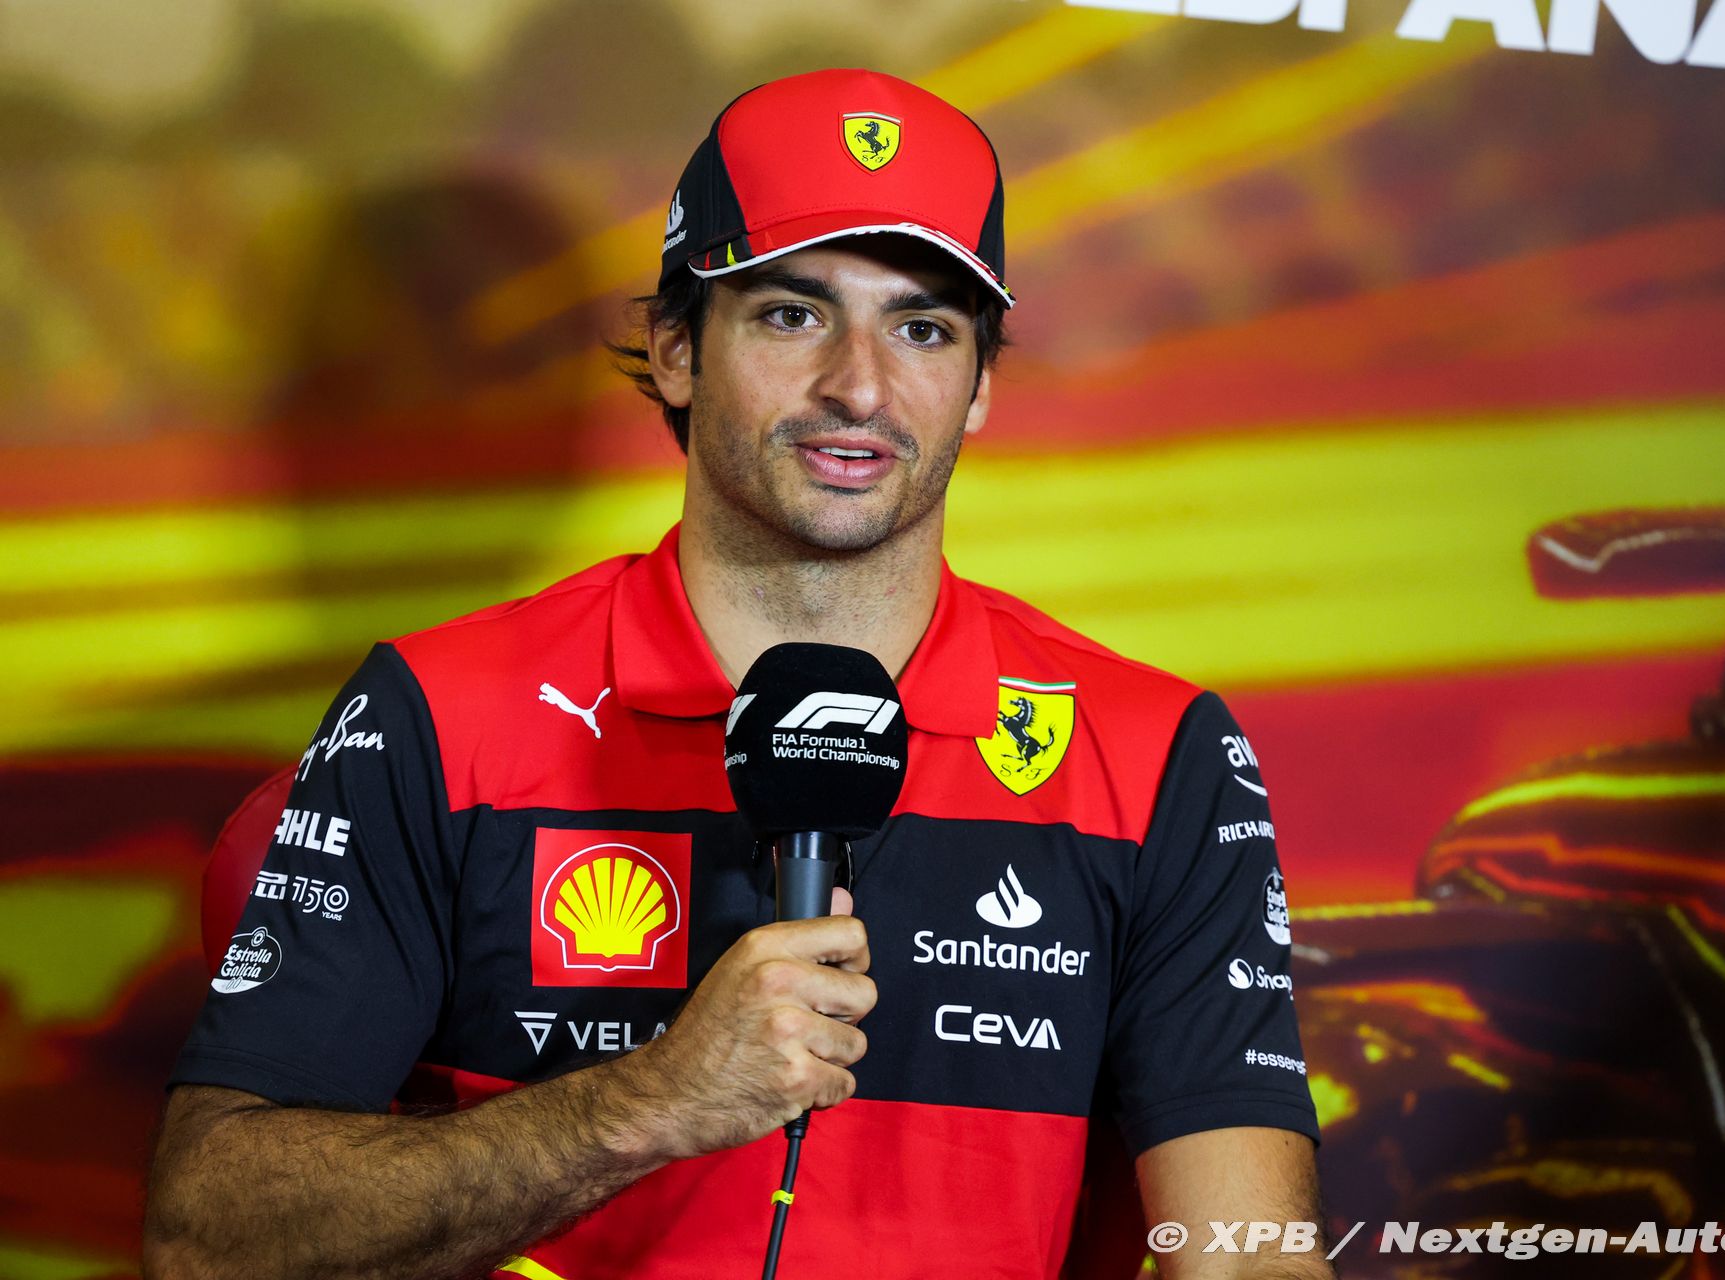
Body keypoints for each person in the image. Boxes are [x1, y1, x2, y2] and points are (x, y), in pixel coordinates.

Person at [145, 68, 1328, 1280]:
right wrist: (647, 1100)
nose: (859, 385)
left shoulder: (1154, 750)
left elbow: (1248, 1258)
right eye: (793, 314)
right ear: (676, 350)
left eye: (922, 328)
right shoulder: (442, 712)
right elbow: (211, 1237)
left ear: (980, 386)